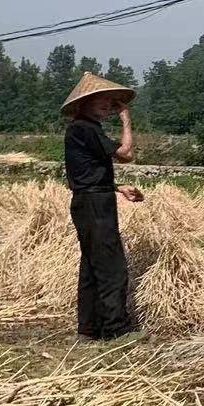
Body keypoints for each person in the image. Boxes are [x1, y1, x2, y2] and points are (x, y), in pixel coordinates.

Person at [61, 71, 143, 341]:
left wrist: (117, 187)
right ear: (84, 103)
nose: (106, 104)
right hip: (95, 205)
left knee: (92, 265)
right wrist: (126, 121)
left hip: (90, 200)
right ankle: (116, 329)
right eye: (99, 99)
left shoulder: (83, 130)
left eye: (109, 100)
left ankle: (89, 328)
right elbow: (126, 155)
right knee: (112, 267)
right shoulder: (85, 128)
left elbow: (88, 172)